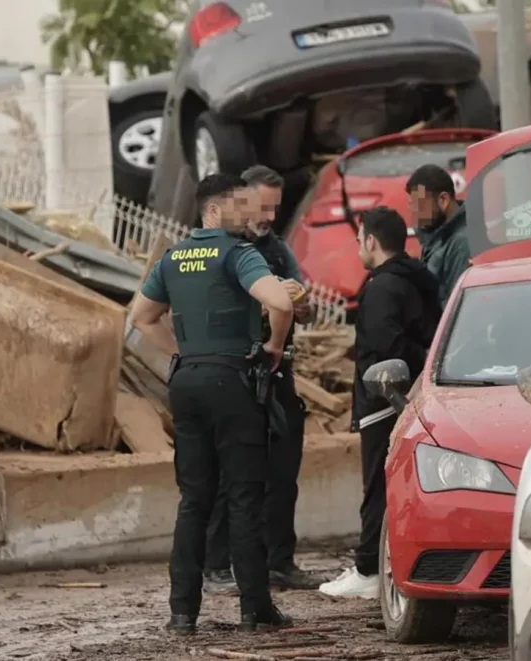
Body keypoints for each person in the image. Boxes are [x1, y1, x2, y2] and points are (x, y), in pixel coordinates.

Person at [131, 173, 295, 634]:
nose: (249, 215)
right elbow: (280, 301)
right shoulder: (238, 254)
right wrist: (274, 347)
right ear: (215, 210)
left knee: (194, 500)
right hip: (232, 382)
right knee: (244, 497)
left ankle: (182, 612)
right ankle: (255, 608)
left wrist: (179, 351)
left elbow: (141, 318)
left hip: (186, 384)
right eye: (240, 206)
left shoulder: (173, 257)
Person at [202, 165, 323, 594]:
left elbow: (301, 301)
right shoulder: (219, 248)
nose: (269, 216)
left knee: (283, 468)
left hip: (276, 372)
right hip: (234, 373)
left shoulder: (275, 249)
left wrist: (302, 307)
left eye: (275, 208)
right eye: (261, 206)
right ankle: (216, 565)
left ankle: (279, 562)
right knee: (227, 472)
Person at [318, 207, 441, 598]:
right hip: (409, 397)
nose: (358, 248)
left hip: (383, 402)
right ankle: (377, 563)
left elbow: (385, 346)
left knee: (376, 486)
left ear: (371, 240)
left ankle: (369, 568)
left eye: (358, 241)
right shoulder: (418, 279)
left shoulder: (382, 288)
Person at [405, 164, 471, 307]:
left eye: (419, 205)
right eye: (412, 205)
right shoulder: (434, 235)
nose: (415, 213)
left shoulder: (461, 243)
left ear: (443, 200)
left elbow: (457, 308)